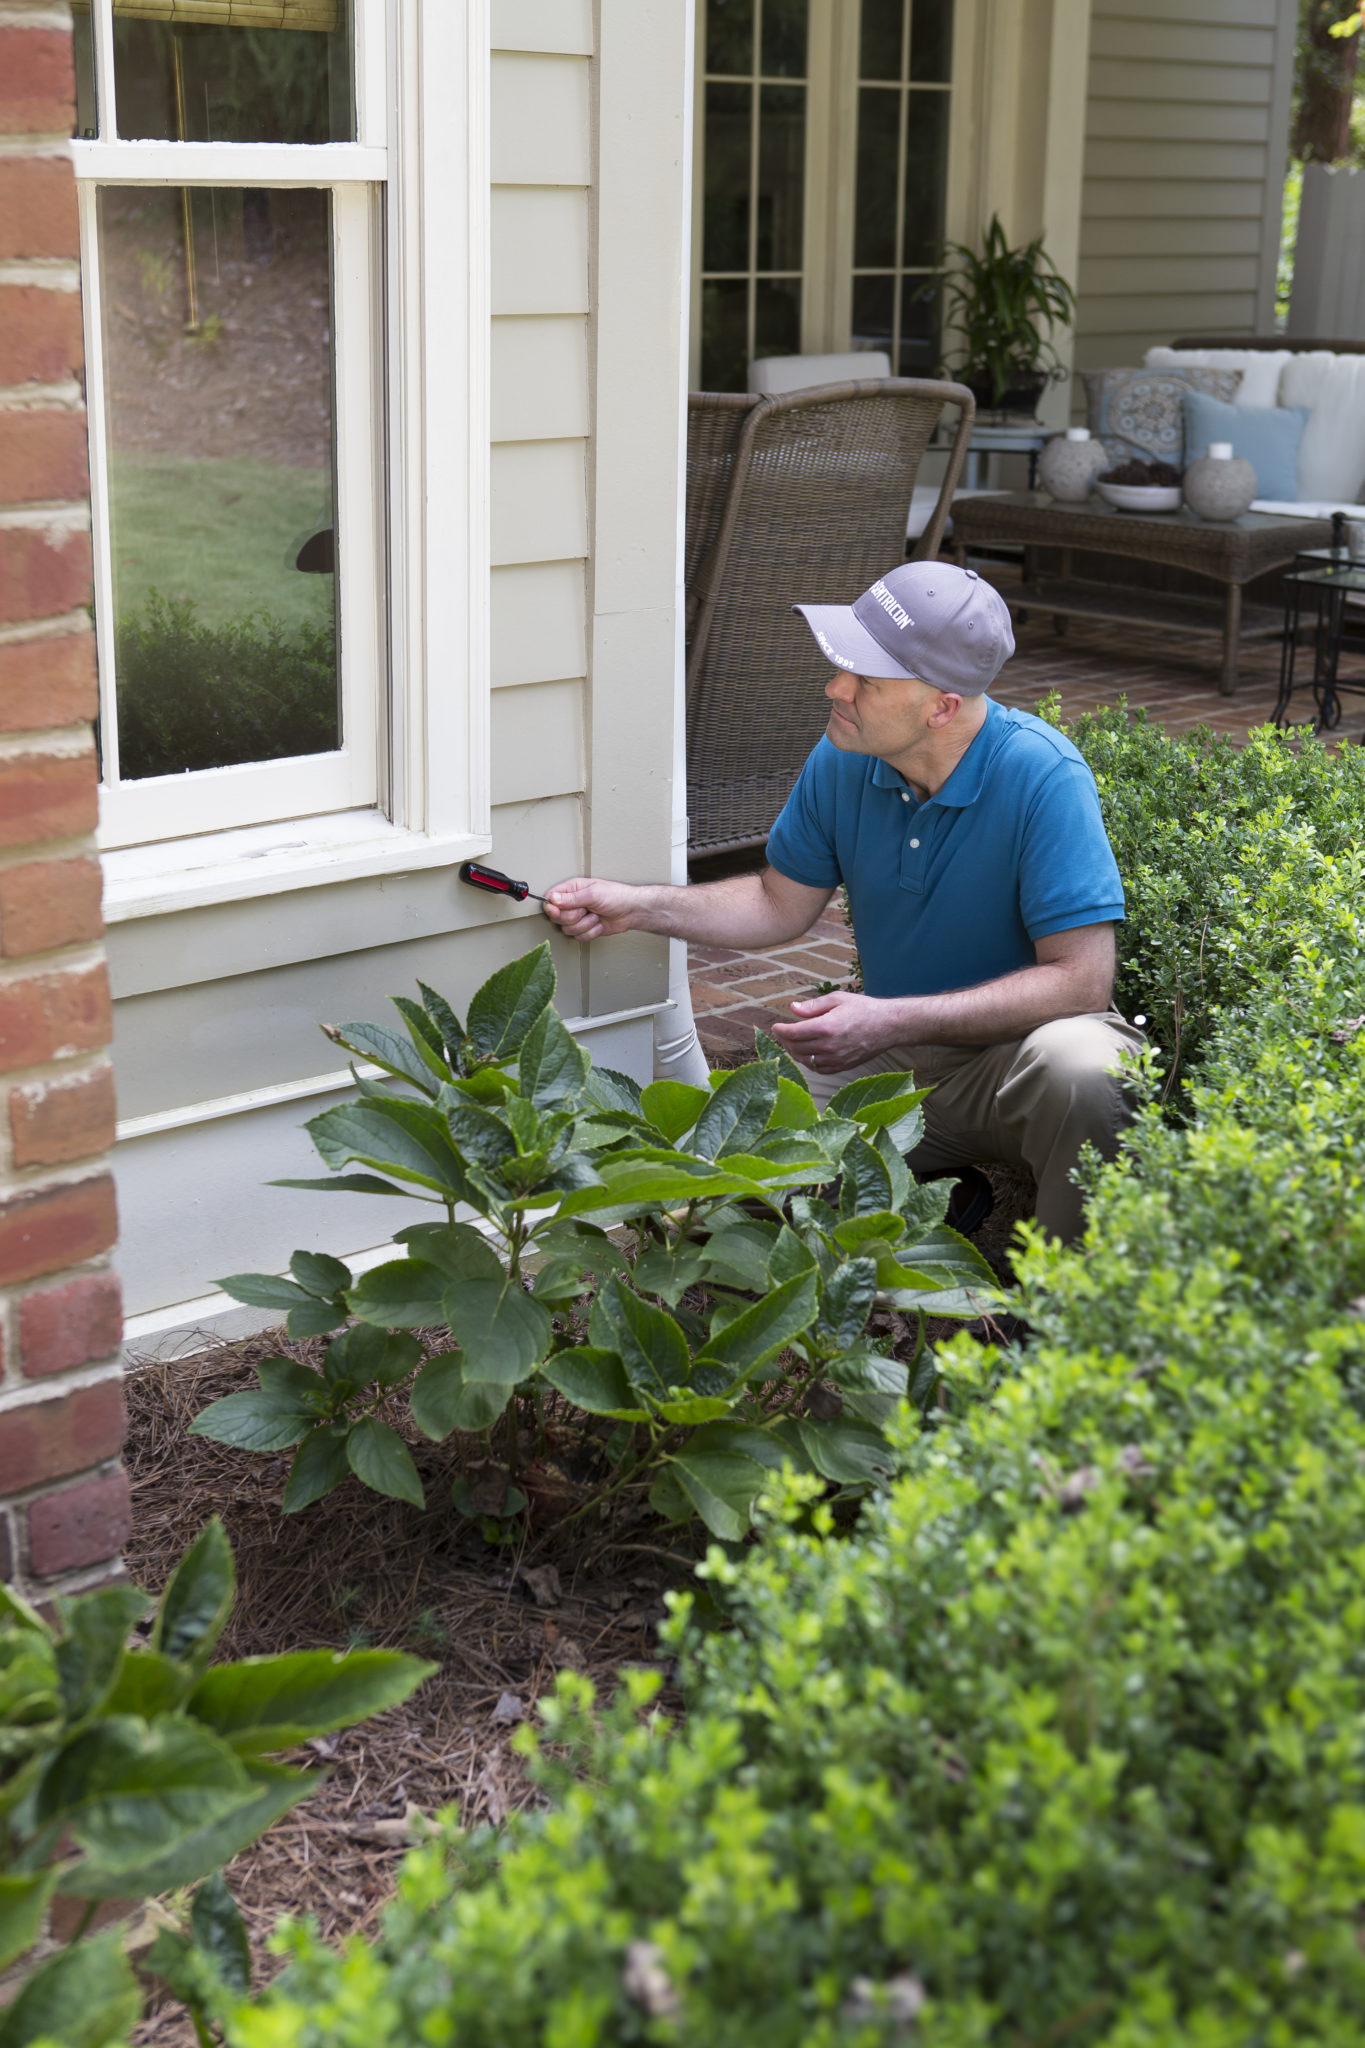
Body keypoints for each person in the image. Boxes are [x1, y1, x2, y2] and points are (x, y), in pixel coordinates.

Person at [542, 560, 1142, 1244]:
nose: (835, 688)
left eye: (865, 679)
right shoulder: (844, 758)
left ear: (941, 707)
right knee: (714, 1198)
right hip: (893, 1065)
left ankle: (1071, 1300)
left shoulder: (1042, 775)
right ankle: (933, 1199)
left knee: (1086, 1068)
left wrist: (889, 1018)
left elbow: (1081, 983)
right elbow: (776, 902)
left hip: (1013, 1067)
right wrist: (636, 907)